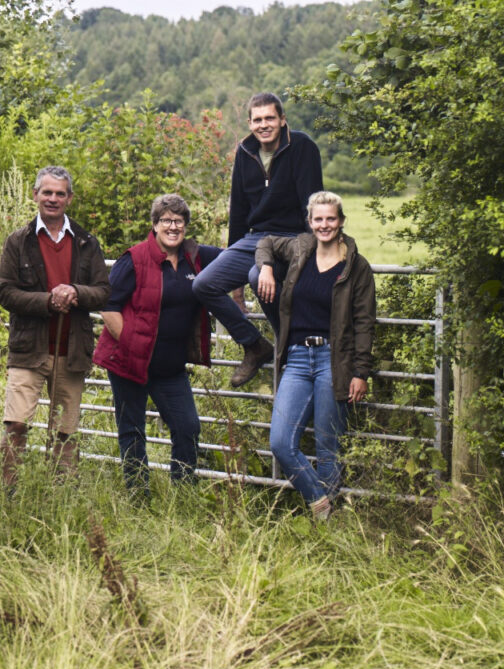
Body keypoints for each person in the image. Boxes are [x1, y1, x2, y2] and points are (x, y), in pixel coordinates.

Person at [255, 190, 375, 520]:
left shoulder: (356, 267)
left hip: (333, 362)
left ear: (341, 221)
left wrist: (360, 372)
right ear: (309, 222)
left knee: (327, 448)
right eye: (318, 219)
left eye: (331, 219)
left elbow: (365, 322)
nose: (324, 225)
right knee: (280, 442)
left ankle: (326, 526)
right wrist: (265, 268)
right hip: (295, 358)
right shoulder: (300, 249)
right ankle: (322, 503)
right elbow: (265, 242)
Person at [94, 193, 222, 495]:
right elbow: (108, 305)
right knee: (133, 431)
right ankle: (138, 497)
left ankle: (184, 493)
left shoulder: (196, 258)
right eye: (166, 221)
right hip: (129, 361)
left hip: (171, 366)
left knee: (187, 427)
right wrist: (131, 345)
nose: (173, 227)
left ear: (186, 226)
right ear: (155, 225)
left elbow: (236, 258)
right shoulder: (134, 259)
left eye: (179, 221)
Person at [192, 91, 323, 387]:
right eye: (258, 119)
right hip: (255, 237)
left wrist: (317, 251)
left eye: (270, 118)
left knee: (257, 276)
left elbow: (313, 204)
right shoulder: (245, 152)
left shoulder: (301, 147)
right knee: (203, 284)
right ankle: (255, 345)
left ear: (282, 120)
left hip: (293, 237)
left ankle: (289, 348)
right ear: (250, 123)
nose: (264, 125)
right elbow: (239, 211)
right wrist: (234, 284)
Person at [0, 166, 110, 488]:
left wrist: (75, 292)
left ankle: (60, 493)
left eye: (60, 193)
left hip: (71, 350)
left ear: (69, 199)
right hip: (29, 349)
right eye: (47, 192)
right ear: (35, 195)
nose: (53, 199)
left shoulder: (87, 242)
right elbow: (5, 292)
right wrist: (48, 301)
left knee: (64, 430)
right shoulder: (18, 241)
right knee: (16, 425)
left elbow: (103, 291)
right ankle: (11, 493)